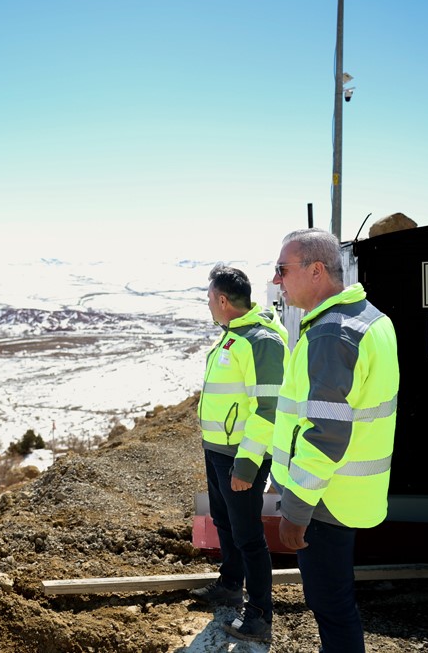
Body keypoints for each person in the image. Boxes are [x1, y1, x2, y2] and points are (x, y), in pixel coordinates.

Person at [271, 228, 399, 653]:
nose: (277, 281)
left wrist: (295, 509)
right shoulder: (372, 320)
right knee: (337, 602)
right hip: (351, 492)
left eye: (283, 269)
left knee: (331, 605)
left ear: (316, 271)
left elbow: (325, 435)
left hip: (327, 498)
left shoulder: (330, 334)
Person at [190, 264, 288, 644]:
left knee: (248, 536)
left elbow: (267, 409)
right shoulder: (231, 336)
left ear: (222, 300)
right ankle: (230, 586)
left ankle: (260, 616)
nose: (209, 305)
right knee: (224, 522)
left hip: (240, 456)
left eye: (209, 299)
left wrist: (247, 464)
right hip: (218, 450)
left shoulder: (260, 341)